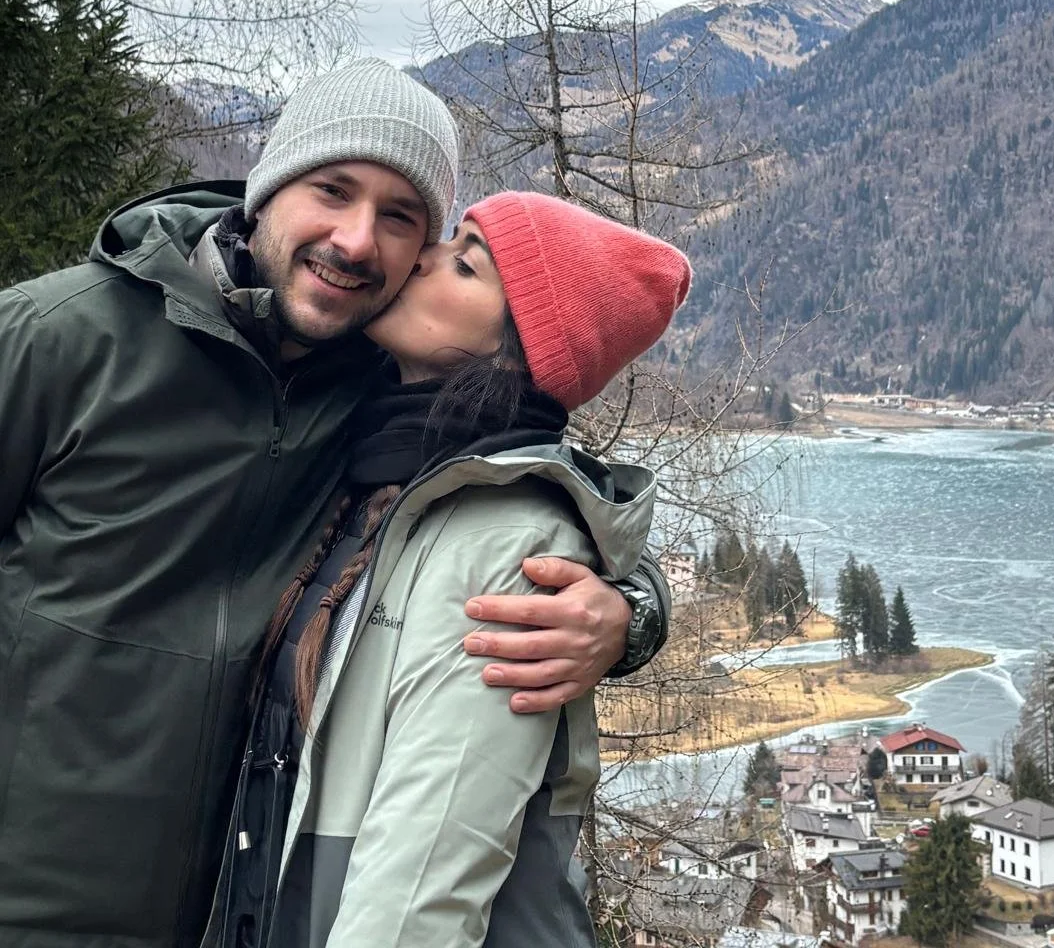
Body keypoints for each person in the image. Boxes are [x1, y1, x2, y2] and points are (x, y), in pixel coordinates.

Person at [0, 60, 669, 948]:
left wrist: (628, 613)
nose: (358, 242)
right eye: (333, 189)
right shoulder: (60, 340)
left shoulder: (374, 387)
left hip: (218, 912)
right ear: (268, 186)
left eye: (403, 219)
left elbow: (539, 496)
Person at [207, 190, 691, 948]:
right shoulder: (369, 464)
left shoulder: (511, 549)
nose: (420, 257)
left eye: (463, 265)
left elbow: (420, 897)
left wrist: (632, 609)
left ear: (513, 350)